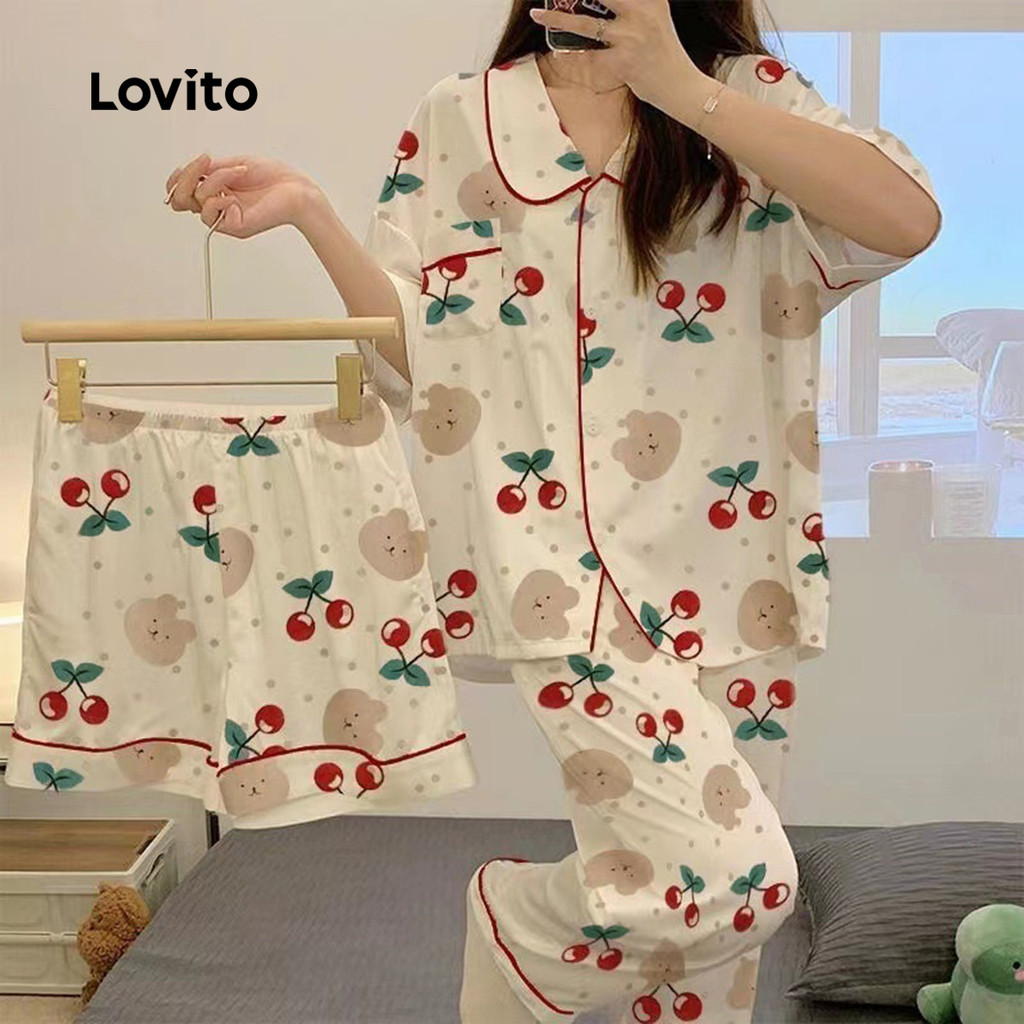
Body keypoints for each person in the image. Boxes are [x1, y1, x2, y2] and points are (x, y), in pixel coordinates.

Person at [165, 2, 941, 1020]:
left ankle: (521, 965)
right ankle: (520, 919)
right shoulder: (463, 118)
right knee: (743, 880)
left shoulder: (744, 105)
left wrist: (678, 84)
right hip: (547, 571)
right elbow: (419, 360)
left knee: (703, 936)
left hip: (732, 573)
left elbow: (906, 221)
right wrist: (311, 211)